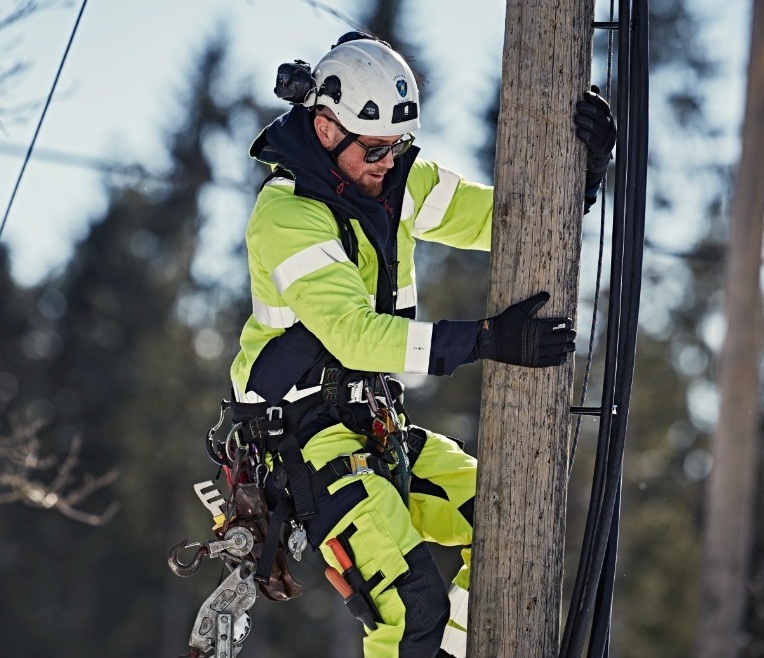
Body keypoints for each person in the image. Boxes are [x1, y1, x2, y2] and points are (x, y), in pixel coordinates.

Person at [226, 32, 616, 658]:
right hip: (309, 438)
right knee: (410, 613)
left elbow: (507, 223)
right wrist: (485, 341)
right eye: (375, 148)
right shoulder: (287, 214)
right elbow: (353, 335)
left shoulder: (397, 180)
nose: (388, 162)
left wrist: (584, 175)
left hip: (376, 426)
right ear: (327, 129)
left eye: (398, 146)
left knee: (508, 526)